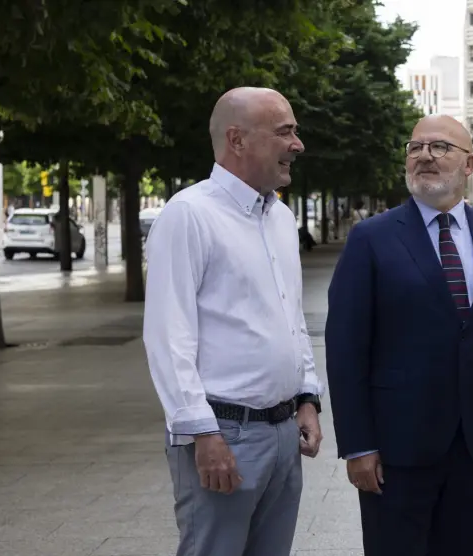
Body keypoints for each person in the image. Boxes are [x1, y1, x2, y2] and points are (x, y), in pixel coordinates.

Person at [325, 114, 473, 556]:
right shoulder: (371, 239)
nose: (425, 155)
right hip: (396, 449)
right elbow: (346, 350)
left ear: (469, 165)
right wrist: (357, 445)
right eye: (415, 147)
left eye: (440, 147)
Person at [142, 87, 325, 556]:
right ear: (237, 140)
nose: (297, 144)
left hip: (284, 434)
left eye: (296, 132)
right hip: (225, 434)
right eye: (285, 132)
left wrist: (307, 397)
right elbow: (168, 337)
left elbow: (291, 318)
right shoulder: (189, 215)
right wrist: (203, 433)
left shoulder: (281, 218)